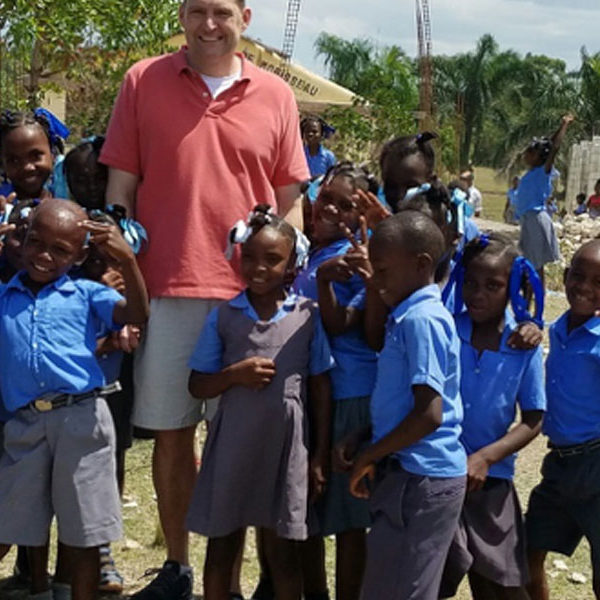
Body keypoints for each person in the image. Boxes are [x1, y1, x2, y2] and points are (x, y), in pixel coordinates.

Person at [100, 0, 309, 595]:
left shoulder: (277, 95)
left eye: (221, 12)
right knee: (171, 435)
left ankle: (232, 571)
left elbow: (291, 196)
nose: (208, 24)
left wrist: (287, 275)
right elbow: (123, 185)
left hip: (250, 299)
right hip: (166, 287)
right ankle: (178, 565)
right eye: (197, 11)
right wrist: (122, 275)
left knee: (242, 436)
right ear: (183, 15)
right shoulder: (142, 80)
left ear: (245, 15)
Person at [0, 198, 149, 600]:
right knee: (8, 523)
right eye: (35, 242)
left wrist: (127, 261)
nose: (44, 255)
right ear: (22, 237)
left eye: (61, 249)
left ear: (81, 254)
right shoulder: (5, 297)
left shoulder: (86, 294)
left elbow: (138, 311)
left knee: (84, 537)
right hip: (25, 425)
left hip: (81, 421)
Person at [186, 205, 333, 600]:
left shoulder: (307, 316)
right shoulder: (224, 316)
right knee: (222, 545)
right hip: (234, 443)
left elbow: (320, 385)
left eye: (272, 259)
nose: (258, 268)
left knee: (283, 552)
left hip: (286, 447)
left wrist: (319, 455)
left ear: (293, 264)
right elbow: (197, 385)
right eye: (248, 257)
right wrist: (234, 375)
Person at [340, 210, 467, 600]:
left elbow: (428, 415)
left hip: (420, 478)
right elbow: (408, 402)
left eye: (382, 271)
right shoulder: (409, 315)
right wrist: (364, 435)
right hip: (412, 471)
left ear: (421, 264)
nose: (375, 283)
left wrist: (369, 455)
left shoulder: (421, 320)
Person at [439, 233, 546, 600]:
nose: (478, 294)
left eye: (493, 285)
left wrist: (486, 457)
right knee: (432, 579)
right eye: (470, 282)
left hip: (492, 483)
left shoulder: (522, 347)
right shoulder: (446, 330)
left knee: (501, 586)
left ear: (514, 287)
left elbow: (534, 418)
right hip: (439, 477)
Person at [293, 163, 378, 600]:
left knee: (347, 521)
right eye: (326, 198)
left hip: (349, 396)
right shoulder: (313, 252)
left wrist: (327, 282)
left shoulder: (356, 258)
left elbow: (342, 324)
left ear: (362, 214)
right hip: (309, 396)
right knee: (305, 513)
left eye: (346, 206)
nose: (331, 210)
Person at [526, 239, 600, 600]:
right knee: (527, 552)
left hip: (595, 465)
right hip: (559, 464)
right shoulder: (557, 329)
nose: (584, 287)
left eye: (598, 282)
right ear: (566, 274)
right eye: (578, 275)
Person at [514, 115, 574, 289]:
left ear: (538, 157)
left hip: (536, 219)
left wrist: (564, 125)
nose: (525, 155)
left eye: (530, 152)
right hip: (529, 219)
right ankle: (528, 298)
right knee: (529, 262)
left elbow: (553, 148)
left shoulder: (543, 172)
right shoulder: (532, 173)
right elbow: (549, 144)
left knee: (536, 265)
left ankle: (537, 305)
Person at [0, 110, 55, 203]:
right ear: (2, 164)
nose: (27, 167)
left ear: (52, 154)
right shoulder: (3, 206)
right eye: (14, 160)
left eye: (35, 156)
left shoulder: (68, 202)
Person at [379, 131, 437, 212]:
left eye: (411, 187)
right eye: (391, 186)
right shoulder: (372, 220)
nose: (400, 196)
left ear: (431, 182)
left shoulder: (444, 221)